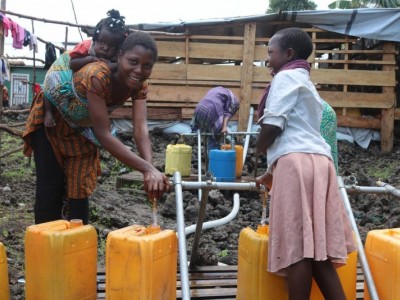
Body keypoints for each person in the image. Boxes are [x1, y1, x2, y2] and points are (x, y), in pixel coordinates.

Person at [23, 31, 169, 225]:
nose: (139, 70)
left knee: (80, 190)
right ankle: (46, 249)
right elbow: (103, 134)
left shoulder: (139, 84)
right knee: (50, 188)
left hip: (83, 129)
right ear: (119, 56)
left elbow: (140, 128)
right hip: (53, 123)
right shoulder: (97, 75)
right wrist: (147, 169)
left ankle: (78, 248)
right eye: (133, 62)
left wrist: (150, 170)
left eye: (147, 66)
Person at [255, 27, 356, 300]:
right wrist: (270, 172)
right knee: (317, 252)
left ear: (288, 53)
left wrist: (257, 147)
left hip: (296, 165)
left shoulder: (285, 77)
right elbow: (300, 133)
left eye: (270, 53)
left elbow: (275, 123)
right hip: (319, 164)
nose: (267, 60)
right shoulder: (306, 81)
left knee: (297, 249)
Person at [43, 9, 128, 128]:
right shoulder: (86, 47)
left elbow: (116, 67)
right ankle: (48, 112)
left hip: (84, 86)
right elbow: (72, 64)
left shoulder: (116, 56)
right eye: (102, 42)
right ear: (95, 37)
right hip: (68, 69)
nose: (105, 48)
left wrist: (106, 65)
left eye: (111, 46)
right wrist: (90, 60)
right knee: (51, 82)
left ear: (118, 47)